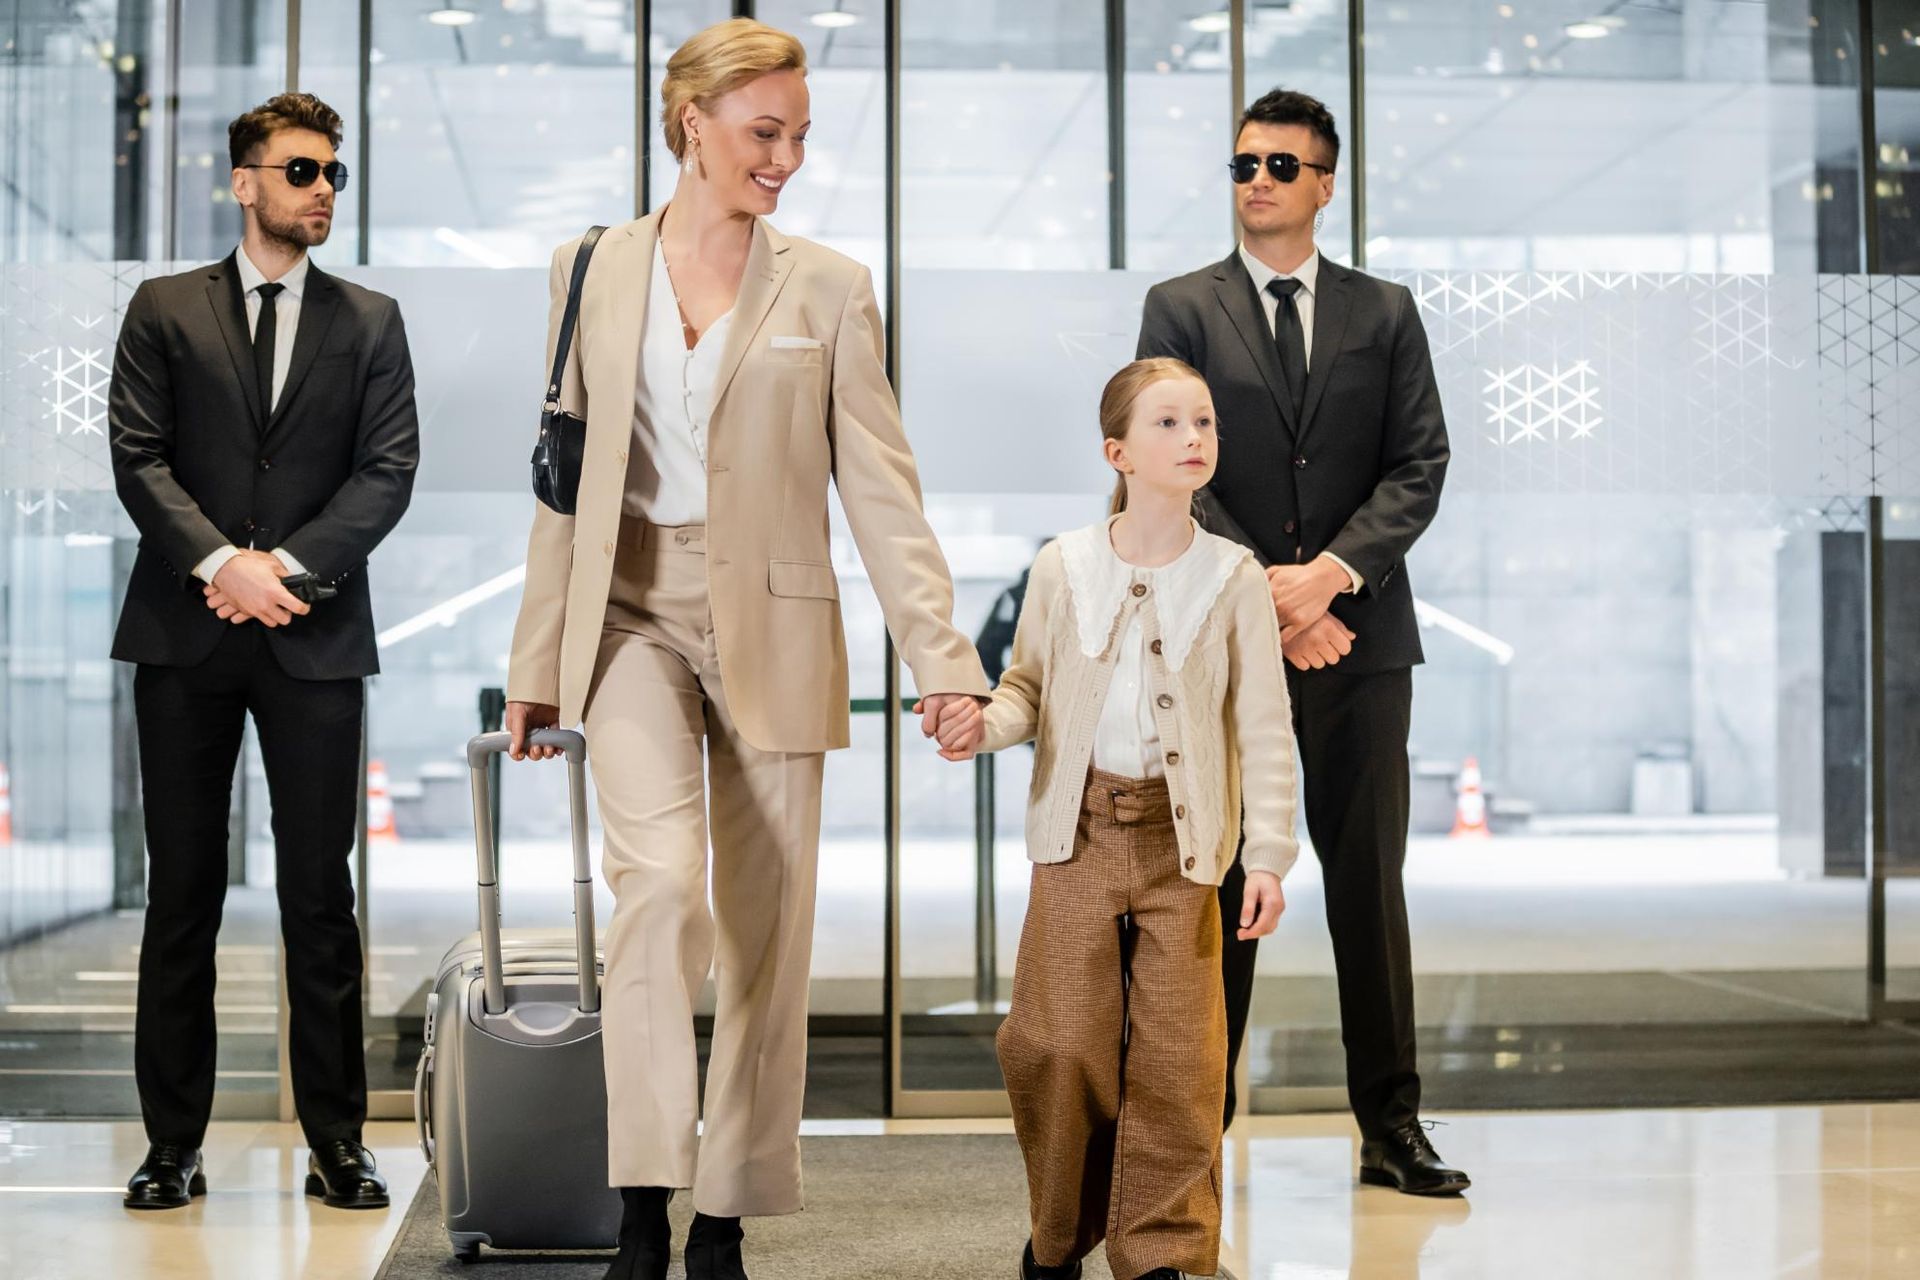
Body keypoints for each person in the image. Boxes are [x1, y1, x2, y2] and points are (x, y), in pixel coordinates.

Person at [502, 19, 988, 1280]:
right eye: (764, 133)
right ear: (692, 123)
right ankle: (644, 1199)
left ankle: (727, 1207)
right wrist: (536, 656)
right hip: (628, 613)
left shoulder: (827, 284)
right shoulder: (589, 266)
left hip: (775, 618)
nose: (786, 159)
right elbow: (561, 480)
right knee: (657, 888)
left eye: (799, 137)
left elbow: (883, 489)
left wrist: (944, 659)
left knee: (768, 927)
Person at [1135, 88, 1464, 1195]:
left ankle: (1392, 1126)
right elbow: (1167, 456)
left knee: (1369, 884)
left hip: (1360, 643)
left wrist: (1327, 580)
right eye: (1243, 166)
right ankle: (1195, 1129)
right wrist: (1266, 596)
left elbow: (1418, 462)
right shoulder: (1179, 307)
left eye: (1282, 165)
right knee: (1222, 881)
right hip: (1225, 645)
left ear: (1326, 183)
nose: (1259, 181)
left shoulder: (1385, 311)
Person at [108, 91, 419, 1210]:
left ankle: (338, 1140)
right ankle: (170, 1144)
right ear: (245, 182)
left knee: (319, 901)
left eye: (333, 171)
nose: (323, 187)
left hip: (315, 635)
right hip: (185, 638)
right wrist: (220, 566)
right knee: (180, 895)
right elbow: (139, 458)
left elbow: (387, 473)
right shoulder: (163, 308)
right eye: (300, 171)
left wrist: (278, 571)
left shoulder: (372, 319)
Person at [936, 358, 1298, 1280]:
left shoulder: (1235, 576)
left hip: (1188, 849)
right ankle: (1057, 1240)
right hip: (1079, 835)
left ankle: (1164, 1256)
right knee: (1055, 1046)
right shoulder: (1063, 566)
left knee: (1182, 1063)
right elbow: (1024, 691)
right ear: (1118, 452)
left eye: (1204, 424)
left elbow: (1265, 728)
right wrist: (983, 725)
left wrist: (1268, 857)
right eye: (1170, 424)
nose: (1195, 440)